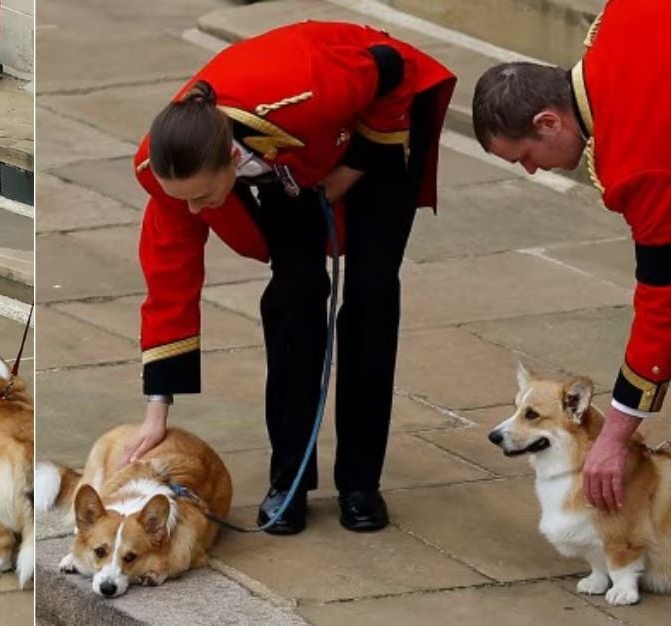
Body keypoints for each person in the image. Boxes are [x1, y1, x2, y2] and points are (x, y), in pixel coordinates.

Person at [128, 21, 455, 534]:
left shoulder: (306, 89)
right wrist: (157, 409)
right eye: (182, 197)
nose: (191, 209)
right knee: (294, 298)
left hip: (374, 130)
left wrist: (354, 167)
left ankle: (360, 483)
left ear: (230, 159)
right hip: (291, 164)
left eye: (200, 195)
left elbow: (394, 71)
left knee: (371, 294)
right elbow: (169, 283)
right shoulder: (167, 169)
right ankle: (290, 480)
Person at [471, 0, 669, 514]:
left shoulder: (634, 165)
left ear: (549, 122)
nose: (534, 172)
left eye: (526, 158)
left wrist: (616, 435)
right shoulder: (622, 15)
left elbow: (661, 305)